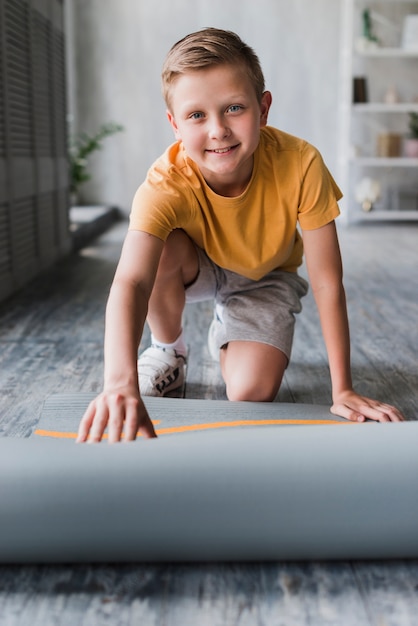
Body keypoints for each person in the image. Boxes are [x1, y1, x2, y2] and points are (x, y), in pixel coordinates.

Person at [77, 27, 404, 443]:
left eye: (234, 108)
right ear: (175, 124)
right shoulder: (165, 183)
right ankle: (169, 351)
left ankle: (230, 327)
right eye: (197, 115)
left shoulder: (301, 164)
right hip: (197, 262)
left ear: (263, 109)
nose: (218, 130)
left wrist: (342, 389)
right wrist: (117, 383)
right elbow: (131, 280)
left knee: (252, 392)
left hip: (265, 275)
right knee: (157, 253)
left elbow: (327, 280)